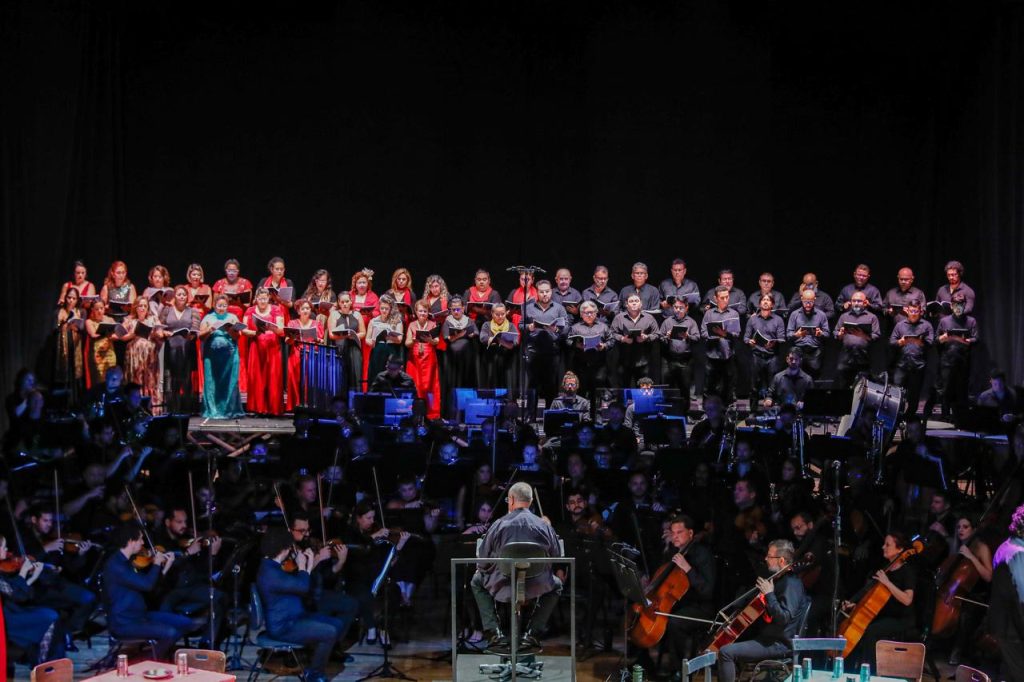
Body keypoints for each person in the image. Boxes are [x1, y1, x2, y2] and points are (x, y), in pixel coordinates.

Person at [471, 482, 562, 650]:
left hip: (503, 584)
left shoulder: (498, 524)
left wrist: (484, 569)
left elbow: (482, 561)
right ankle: (533, 633)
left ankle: (493, 632)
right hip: (536, 584)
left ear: (511, 500)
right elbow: (557, 555)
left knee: (477, 581)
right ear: (531, 501)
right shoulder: (543, 525)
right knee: (556, 585)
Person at [256, 527, 348, 682]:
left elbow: (296, 584)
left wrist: (306, 566)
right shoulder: (270, 572)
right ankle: (314, 675)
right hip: (283, 626)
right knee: (330, 631)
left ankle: (316, 660)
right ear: (284, 548)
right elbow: (303, 587)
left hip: (295, 617)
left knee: (337, 624)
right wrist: (305, 565)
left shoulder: (272, 566)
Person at [716, 539, 808, 682]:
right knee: (723, 645)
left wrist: (769, 594)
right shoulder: (778, 579)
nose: (765, 559)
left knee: (726, 652)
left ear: (781, 560)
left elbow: (784, 618)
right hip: (766, 638)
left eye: (769, 556)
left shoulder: (791, 583)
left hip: (779, 644)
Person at [102, 523, 193, 660]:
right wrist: (156, 563)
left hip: (140, 616)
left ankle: (157, 656)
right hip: (124, 622)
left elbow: (149, 585)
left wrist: (165, 567)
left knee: (185, 622)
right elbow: (147, 585)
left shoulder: (128, 561)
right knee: (170, 633)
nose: (143, 543)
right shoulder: (116, 565)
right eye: (140, 539)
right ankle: (147, 661)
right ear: (131, 541)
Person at [841, 532, 917, 670]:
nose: (883, 547)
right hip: (883, 615)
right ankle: (849, 669)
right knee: (859, 628)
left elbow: (907, 600)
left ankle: (871, 672)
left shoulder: (907, 572)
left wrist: (887, 583)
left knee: (871, 631)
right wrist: (855, 603)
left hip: (901, 619)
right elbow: (872, 596)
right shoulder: (885, 568)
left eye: (887, 545)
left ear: (900, 549)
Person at [0, 535, 64, 665]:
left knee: (51, 618)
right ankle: (44, 665)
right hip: (6, 619)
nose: (6, 549)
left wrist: (32, 578)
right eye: (3, 547)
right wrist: (23, 573)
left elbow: (18, 594)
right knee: (50, 617)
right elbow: (16, 595)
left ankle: (44, 664)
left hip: (12, 610)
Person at [660, 515, 716, 664]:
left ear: (690, 533)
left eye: (679, 532)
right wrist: (666, 549)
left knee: (674, 622)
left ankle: (680, 668)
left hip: (701, 608)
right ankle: (644, 661)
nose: (675, 536)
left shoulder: (702, 554)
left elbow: (707, 591)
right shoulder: (674, 552)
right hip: (680, 603)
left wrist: (688, 568)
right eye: (673, 533)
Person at [928, 292, 978, 421]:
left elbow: (976, 338)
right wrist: (943, 338)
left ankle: (960, 416)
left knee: (962, 390)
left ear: (964, 305)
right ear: (951, 305)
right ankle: (945, 416)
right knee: (946, 390)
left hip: (963, 361)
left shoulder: (971, 321)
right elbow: (935, 340)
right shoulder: (944, 321)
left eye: (961, 304)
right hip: (947, 361)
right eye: (956, 304)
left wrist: (967, 341)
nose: (958, 307)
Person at [522, 280, 568, 416]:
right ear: (537, 292)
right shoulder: (528, 307)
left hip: (551, 351)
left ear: (551, 291)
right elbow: (520, 325)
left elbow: (566, 328)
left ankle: (550, 415)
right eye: (541, 292)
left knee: (551, 385)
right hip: (533, 350)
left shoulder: (559, 308)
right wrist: (529, 327)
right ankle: (530, 416)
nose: (544, 294)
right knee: (532, 384)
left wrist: (556, 330)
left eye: (547, 291)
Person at [990, 503, 1024, 682]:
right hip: (1014, 632)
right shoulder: (1018, 553)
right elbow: (1021, 600)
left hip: (1005, 629)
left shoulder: (1005, 546)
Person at [198, 293, 245, 419]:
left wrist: (230, 330)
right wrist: (210, 329)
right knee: (212, 381)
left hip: (230, 355)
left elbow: (238, 336)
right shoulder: (208, 317)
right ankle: (213, 410)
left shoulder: (232, 317)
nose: (222, 308)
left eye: (224, 306)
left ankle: (229, 409)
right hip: (212, 356)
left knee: (230, 381)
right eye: (219, 306)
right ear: (214, 305)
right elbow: (201, 336)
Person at [242, 287, 286, 415]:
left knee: (273, 377)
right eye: (260, 299)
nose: (262, 301)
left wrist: (271, 328)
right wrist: (255, 333)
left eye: (265, 299)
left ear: (269, 298)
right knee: (257, 377)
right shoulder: (250, 310)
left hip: (272, 348)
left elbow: (281, 330)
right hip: (256, 348)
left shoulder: (276, 310)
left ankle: (273, 408)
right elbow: (243, 330)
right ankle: (258, 408)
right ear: (256, 299)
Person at [158, 285, 201, 414]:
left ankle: (187, 410)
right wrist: (164, 332)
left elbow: (196, 328)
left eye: (184, 295)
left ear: (187, 297)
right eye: (179, 294)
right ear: (174, 297)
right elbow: (160, 326)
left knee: (186, 380)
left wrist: (191, 334)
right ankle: (171, 409)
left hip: (186, 349)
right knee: (170, 380)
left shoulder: (193, 311)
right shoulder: (167, 310)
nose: (181, 297)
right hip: (170, 348)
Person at [889, 302, 934, 416]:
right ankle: (896, 415)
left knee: (914, 395)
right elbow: (892, 342)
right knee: (896, 392)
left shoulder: (926, 325)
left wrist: (921, 342)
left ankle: (909, 418)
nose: (913, 314)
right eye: (911, 311)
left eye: (916, 311)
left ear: (920, 312)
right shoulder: (900, 325)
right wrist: (900, 342)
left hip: (918, 366)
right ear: (907, 311)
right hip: (901, 365)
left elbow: (931, 343)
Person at [702, 286, 742, 403]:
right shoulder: (709, 314)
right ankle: (707, 408)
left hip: (727, 355)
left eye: (727, 297)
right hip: (712, 355)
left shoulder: (734, 313)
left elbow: (736, 333)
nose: (725, 300)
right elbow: (703, 332)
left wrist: (725, 334)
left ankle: (726, 408)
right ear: (716, 298)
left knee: (728, 385)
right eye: (722, 298)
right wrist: (714, 335)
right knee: (710, 385)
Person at [121, 296, 163, 409]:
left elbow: (160, 333)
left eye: (145, 306)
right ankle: (136, 407)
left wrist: (157, 334)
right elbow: (121, 336)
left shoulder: (153, 319)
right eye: (140, 306)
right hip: (134, 354)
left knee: (150, 380)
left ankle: (152, 407)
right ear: (135, 307)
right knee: (137, 379)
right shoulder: (129, 320)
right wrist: (132, 334)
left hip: (150, 354)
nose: (143, 308)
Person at [611, 293, 660, 388]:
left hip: (643, 361)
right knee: (624, 389)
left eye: (636, 301)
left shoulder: (649, 318)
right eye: (631, 301)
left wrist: (646, 337)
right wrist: (622, 339)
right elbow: (612, 333)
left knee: (643, 390)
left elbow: (657, 334)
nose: (634, 303)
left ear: (641, 303)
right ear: (626, 304)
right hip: (624, 361)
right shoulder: (619, 318)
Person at [744, 294, 786, 403]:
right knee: (754, 381)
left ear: (772, 304)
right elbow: (746, 337)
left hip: (772, 355)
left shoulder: (778, 320)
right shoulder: (752, 319)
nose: (766, 302)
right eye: (763, 300)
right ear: (759, 304)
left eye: (768, 300)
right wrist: (749, 341)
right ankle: (753, 403)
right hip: (757, 354)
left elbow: (782, 338)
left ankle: (770, 400)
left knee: (773, 380)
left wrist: (774, 342)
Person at [285, 298, 325, 412]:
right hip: (296, 354)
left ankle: (309, 405)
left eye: (307, 308)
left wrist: (317, 340)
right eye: (303, 309)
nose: (306, 310)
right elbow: (287, 341)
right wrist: (293, 338)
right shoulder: (292, 323)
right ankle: (296, 405)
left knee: (309, 381)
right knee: (295, 380)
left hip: (311, 354)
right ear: (298, 311)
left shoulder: (316, 324)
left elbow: (322, 341)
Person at [567, 300, 613, 398]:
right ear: (581, 314)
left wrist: (604, 345)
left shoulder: (603, 327)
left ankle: (596, 408)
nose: (589, 315)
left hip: (599, 365)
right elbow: (568, 341)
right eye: (586, 313)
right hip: (581, 365)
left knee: (597, 392)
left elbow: (612, 340)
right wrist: (576, 345)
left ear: (596, 313)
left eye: (591, 312)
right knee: (581, 391)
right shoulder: (575, 328)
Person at [835, 290, 881, 388]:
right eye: (854, 301)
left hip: (863, 356)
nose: (856, 303)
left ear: (865, 303)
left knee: (862, 387)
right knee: (843, 384)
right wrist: (840, 334)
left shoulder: (872, 317)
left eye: (859, 301)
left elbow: (877, 335)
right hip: (846, 356)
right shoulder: (844, 316)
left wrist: (864, 336)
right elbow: (835, 332)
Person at [405, 300, 442, 418]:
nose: (422, 313)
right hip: (415, 360)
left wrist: (429, 340)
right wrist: (414, 340)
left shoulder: (432, 324)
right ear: (416, 312)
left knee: (429, 385)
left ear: (428, 312)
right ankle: (414, 412)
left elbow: (436, 341)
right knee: (416, 384)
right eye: (420, 311)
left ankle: (430, 412)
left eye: (425, 311)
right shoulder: (412, 325)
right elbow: (407, 343)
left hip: (429, 358)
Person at [440, 296, 478, 410]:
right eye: (453, 310)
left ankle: (467, 407)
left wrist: (472, 334)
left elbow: (476, 332)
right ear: (450, 310)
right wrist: (459, 335)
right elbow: (447, 337)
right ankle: (452, 408)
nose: (456, 312)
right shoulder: (448, 322)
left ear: (463, 308)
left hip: (466, 358)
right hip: (452, 359)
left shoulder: (469, 320)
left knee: (466, 381)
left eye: (458, 309)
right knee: (453, 382)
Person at [328, 291, 366, 397]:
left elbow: (363, 332)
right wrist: (344, 336)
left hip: (354, 347)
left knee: (356, 374)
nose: (345, 304)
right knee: (342, 375)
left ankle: (356, 400)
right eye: (342, 302)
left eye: (347, 301)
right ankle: (341, 401)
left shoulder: (357, 314)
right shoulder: (334, 314)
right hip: (340, 347)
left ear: (351, 301)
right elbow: (331, 334)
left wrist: (354, 335)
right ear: (339, 303)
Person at [786, 289, 830, 379]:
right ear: (802, 299)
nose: (808, 304)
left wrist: (820, 334)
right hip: (798, 349)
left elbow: (827, 333)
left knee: (814, 376)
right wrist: (796, 335)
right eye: (806, 301)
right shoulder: (794, 314)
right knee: (796, 376)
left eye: (811, 301)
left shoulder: (821, 315)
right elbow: (788, 334)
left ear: (814, 300)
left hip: (814, 350)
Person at [54, 287, 85, 405]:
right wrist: (65, 324)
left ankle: (76, 402)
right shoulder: (59, 312)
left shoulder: (81, 311)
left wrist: (76, 326)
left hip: (76, 345)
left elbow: (82, 328)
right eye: (69, 297)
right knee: (64, 372)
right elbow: (55, 328)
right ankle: (63, 403)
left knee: (76, 374)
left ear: (77, 300)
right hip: (62, 345)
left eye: (74, 298)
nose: (71, 300)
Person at [479, 303, 519, 390]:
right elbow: (482, 338)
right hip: (491, 356)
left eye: (503, 314)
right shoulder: (487, 325)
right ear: (492, 313)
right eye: (497, 314)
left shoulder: (511, 325)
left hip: (507, 355)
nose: (500, 317)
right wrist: (495, 339)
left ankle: (509, 394)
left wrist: (503, 342)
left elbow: (516, 340)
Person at [365, 294, 405, 383]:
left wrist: (390, 337)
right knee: (376, 375)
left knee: (390, 377)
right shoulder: (374, 321)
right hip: (377, 350)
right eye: (382, 308)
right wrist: (372, 342)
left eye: (386, 309)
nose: (384, 311)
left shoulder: (397, 321)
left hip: (391, 351)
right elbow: (367, 339)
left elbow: (400, 339)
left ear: (390, 309)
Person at [84, 299, 118, 389]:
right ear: (92, 310)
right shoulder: (89, 321)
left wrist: (114, 336)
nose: (99, 311)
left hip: (110, 352)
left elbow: (116, 334)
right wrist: (105, 333)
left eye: (101, 308)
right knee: (100, 378)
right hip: (98, 354)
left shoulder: (110, 319)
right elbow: (93, 334)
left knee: (112, 376)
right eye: (97, 309)